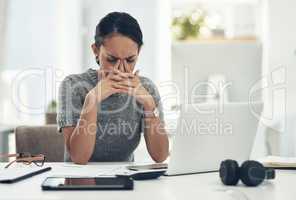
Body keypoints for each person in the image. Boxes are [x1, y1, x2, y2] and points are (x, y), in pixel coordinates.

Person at [57, 12, 169, 164]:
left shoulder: (146, 88)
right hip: (80, 182)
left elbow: (161, 156)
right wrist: (92, 100)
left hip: (125, 181)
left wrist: (149, 105)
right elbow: (78, 158)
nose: (121, 69)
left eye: (130, 60)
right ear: (96, 51)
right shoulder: (73, 85)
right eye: (112, 59)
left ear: (139, 52)